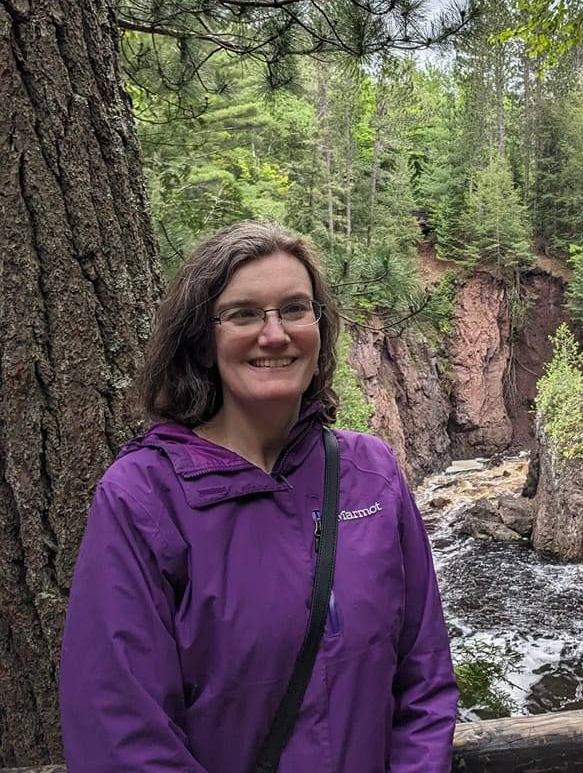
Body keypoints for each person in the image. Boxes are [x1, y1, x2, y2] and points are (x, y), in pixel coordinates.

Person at [59, 221, 458, 772]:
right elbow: (120, 730)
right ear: (202, 342)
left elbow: (425, 675)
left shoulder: (371, 472)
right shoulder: (144, 498)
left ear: (320, 328)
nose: (275, 335)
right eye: (244, 314)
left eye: (295, 309)